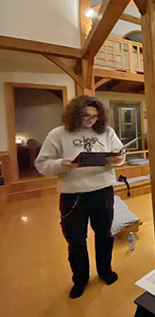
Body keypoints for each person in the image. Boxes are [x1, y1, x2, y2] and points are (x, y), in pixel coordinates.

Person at [35, 96, 125, 299]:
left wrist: (118, 158)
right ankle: (80, 279)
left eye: (95, 116)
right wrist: (63, 164)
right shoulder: (58, 134)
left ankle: (105, 271)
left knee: (104, 234)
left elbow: (120, 154)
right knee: (76, 240)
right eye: (86, 116)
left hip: (103, 190)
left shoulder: (106, 132)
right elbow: (42, 164)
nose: (91, 120)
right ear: (75, 113)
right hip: (73, 193)